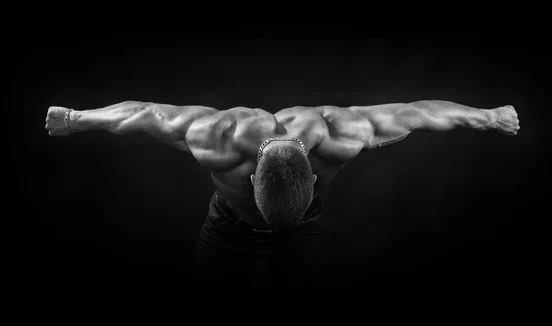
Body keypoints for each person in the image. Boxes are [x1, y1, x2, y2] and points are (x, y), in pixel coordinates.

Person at [45, 100, 519, 289]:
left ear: (314, 177)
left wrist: (491, 117)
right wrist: (76, 119)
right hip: (227, 232)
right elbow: (143, 115)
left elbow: (419, 113)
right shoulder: (215, 137)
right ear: (250, 180)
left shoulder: (343, 134)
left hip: (302, 233)